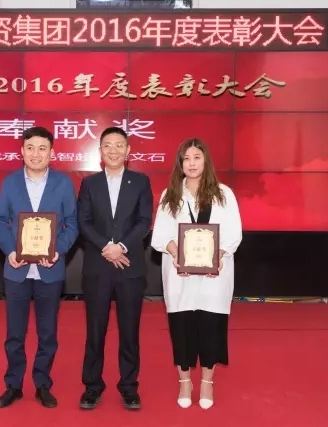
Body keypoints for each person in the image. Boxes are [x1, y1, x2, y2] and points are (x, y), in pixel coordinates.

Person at [151, 138, 242, 410]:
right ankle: (184, 381)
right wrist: (176, 253)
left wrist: (218, 256)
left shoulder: (223, 194)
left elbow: (233, 233)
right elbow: (160, 236)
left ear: (206, 161)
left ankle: (207, 382)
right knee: (182, 328)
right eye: (186, 158)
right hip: (179, 276)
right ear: (180, 163)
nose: (191, 163)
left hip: (215, 277)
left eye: (196, 157)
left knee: (211, 327)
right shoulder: (170, 195)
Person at [0, 126, 79, 409]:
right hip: (17, 269)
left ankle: (42, 384)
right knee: (14, 334)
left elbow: (72, 223)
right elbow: (0, 220)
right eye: (30, 148)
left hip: (49, 269)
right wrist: (11, 251)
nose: (36, 154)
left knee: (47, 333)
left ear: (52, 153)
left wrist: (57, 250)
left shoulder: (63, 183)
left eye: (42, 148)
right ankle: (13, 385)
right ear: (22, 151)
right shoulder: (10, 182)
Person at [77, 126, 153, 410]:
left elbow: (144, 221)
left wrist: (120, 247)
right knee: (95, 331)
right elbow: (83, 221)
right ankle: (92, 386)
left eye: (119, 145)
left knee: (129, 331)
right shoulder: (90, 183)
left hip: (130, 267)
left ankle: (129, 387)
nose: (113, 150)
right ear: (100, 151)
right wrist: (106, 247)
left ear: (128, 150)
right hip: (97, 267)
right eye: (107, 145)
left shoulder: (140, 182)